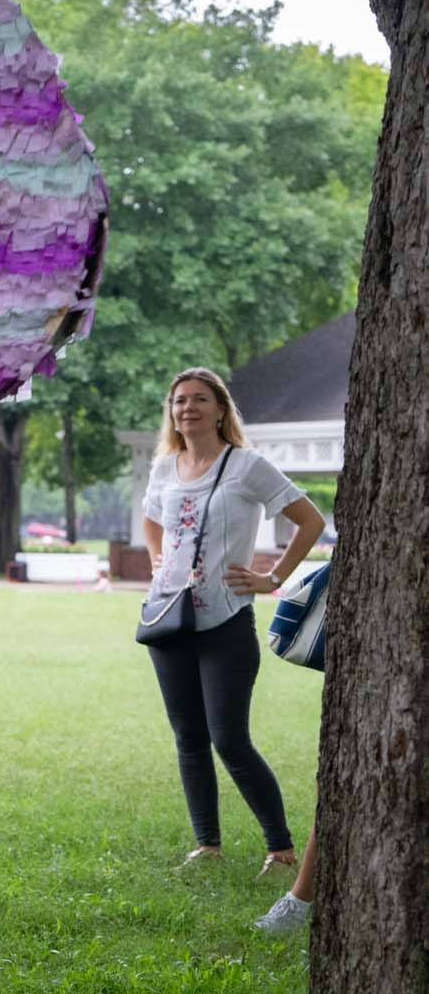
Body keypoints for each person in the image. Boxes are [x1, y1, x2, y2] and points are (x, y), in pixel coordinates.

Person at [141, 367, 326, 874]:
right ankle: (207, 846)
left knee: (229, 739)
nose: (188, 409)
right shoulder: (165, 467)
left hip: (225, 620)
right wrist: (158, 561)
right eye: (179, 401)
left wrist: (273, 578)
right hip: (168, 620)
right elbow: (152, 518)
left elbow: (310, 520)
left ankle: (281, 850)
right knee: (188, 738)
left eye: (200, 399)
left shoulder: (246, 466)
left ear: (221, 409)